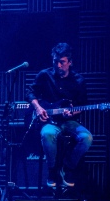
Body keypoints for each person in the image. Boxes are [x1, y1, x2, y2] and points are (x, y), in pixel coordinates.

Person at [25, 42, 93, 189]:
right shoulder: (44, 75)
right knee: (47, 134)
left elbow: (82, 104)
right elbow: (30, 93)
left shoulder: (79, 81)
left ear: (70, 62)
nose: (58, 65)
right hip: (49, 121)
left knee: (86, 138)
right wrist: (37, 108)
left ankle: (66, 167)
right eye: (55, 61)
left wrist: (73, 111)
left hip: (69, 122)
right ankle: (52, 171)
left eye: (62, 62)